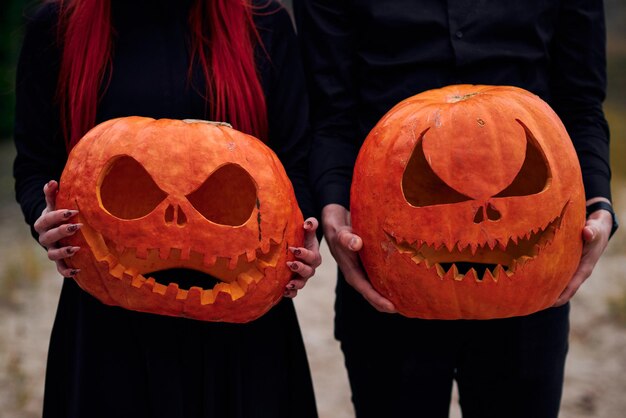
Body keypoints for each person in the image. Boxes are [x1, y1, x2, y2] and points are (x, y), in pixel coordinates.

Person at [294, 1, 618, 417]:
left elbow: (582, 103)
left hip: (529, 272)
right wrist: (333, 207)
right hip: (388, 262)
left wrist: (599, 204)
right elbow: (331, 115)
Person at [13, 1, 322, 417]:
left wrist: (303, 238)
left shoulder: (263, 25)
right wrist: (44, 220)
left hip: (241, 321)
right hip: (111, 319)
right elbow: (35, 164)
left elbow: (296, 163)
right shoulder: (57, 28)